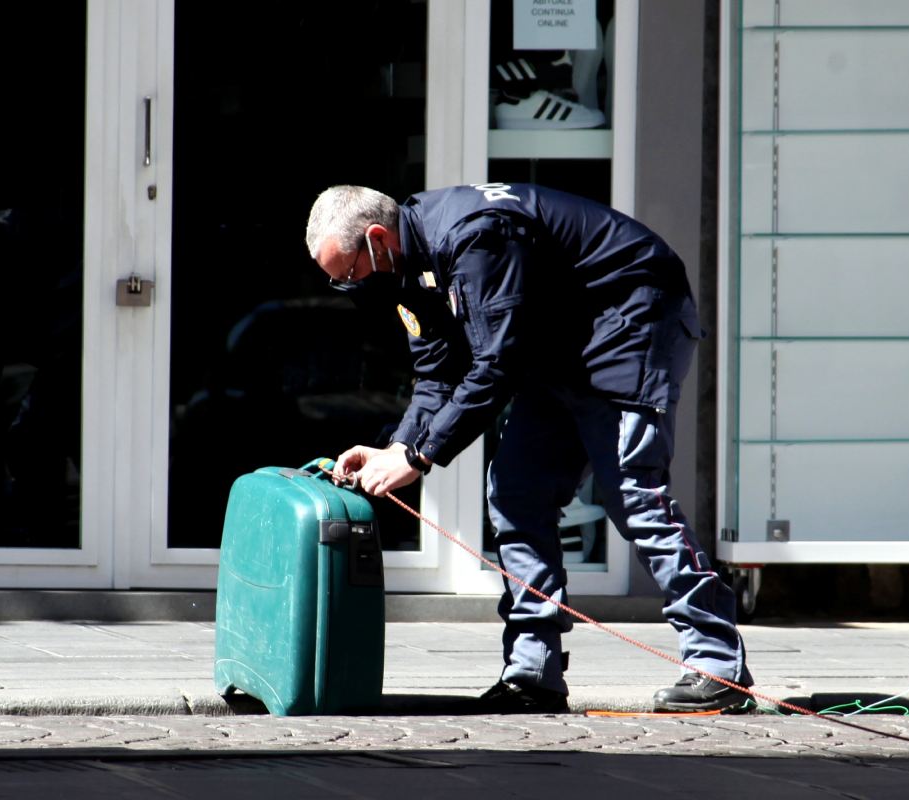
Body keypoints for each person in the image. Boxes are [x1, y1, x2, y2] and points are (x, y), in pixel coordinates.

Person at [305, 182, 752, 714]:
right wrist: (396, 448)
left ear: (377, 238)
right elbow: (436, 375)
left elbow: (494, 367)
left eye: (350, 274)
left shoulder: (475, 238)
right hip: (558, 346)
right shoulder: (407, 268)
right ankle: (533, 672)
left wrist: (419, 457)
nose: (350, 288)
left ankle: (717, 664)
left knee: (634, 495)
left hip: (633, 321)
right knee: (516, 493)